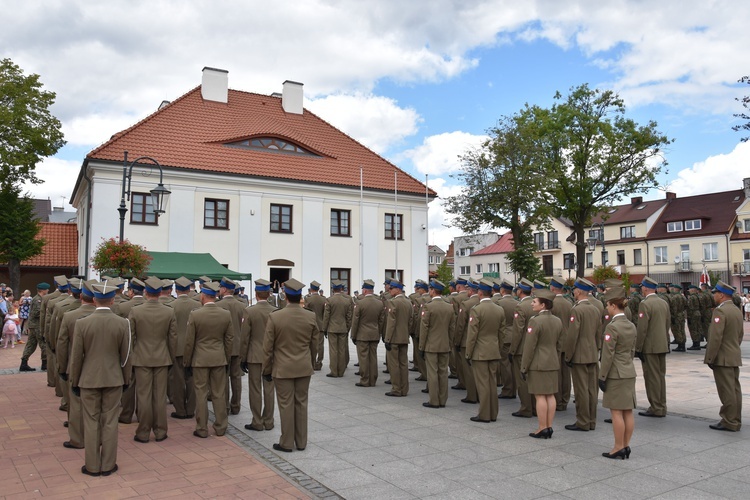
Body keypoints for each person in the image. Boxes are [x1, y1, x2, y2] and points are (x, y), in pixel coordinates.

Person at [70, 282, 131, 477]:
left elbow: (76, 357)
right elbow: (126, 357)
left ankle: (92, 465)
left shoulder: (82, 323)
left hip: (88, 379)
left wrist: (74, 381)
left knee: (91, 421)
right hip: (114, 378)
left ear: (94, 300)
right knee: (110, 421)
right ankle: (108, 465)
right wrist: (126, 380)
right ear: (113, 301)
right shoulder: (123, 323)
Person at [263, 278, 319, 452]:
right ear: (300, 296)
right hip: (303, 366)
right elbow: (314, 344)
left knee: (286, 405)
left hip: (283, 368)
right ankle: (301, 442)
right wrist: (310, 363)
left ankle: (286, 442)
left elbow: (268, 348)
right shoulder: (310, 316)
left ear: (285, 296)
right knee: (301, 403)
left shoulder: (275, 316)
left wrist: (266, 369)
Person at [129, 277, 177, 443]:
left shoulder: (136, 311)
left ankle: (143, 432)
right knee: (159, 396)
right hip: (162, 358)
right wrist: (170, 357)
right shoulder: (168, 311)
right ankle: (160, 431)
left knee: (143, 396)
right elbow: (172, 339)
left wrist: (132, 357)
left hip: (141, 358)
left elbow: (131, 338)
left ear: (145, 292)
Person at [183, 281, 233, 438]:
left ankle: (202, 428)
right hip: (219, 358)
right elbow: (229, 339)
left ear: (203, 296)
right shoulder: (225, 314)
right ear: (216, 296)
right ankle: (221, 426)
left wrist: (187, 361)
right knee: (219, 393)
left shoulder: (195, 314)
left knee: (201, 393)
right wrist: (226, 358)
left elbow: (189, 341)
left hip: (200, 360)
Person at [57, 280, 98, 449]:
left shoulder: (70, 316)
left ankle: (77, 439)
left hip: (74, 366)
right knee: (97, 407)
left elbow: (62, 344)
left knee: (76, 405)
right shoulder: (109, 316)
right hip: (98, 368)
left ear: (81, 296)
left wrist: (62, 367)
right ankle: (96, 438)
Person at [599, 287, 637, 459]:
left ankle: (618, 446)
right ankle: (626, 445)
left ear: (614, 306)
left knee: (616, 413)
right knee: (627, 411)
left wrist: (602, 376)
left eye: (607, 305)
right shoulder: (631, 325)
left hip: (615, 373)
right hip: (629, 371)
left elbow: (607, 356)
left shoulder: (612, 328)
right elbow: (632, 351)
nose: (606, 308)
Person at [521, 288, 562, 438]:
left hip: (538, 363)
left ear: (543, 305)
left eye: (534, 301)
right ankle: (549, 426)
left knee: (540, 396)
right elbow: (559, 344)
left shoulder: (535, 321)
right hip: (552, 361)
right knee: (550, 395)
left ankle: (542, 427)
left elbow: (529, 346)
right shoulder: (557, 321)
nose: (531, 304)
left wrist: (524, 366)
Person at [564, 278, 602, 432]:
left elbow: (572, 336)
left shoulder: (577, 310)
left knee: (581, 390)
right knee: (592, 389)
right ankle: (592, 420)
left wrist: (568, 355)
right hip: (592, 353)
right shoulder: (595, 308)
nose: (573, 292)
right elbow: (599, 333)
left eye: (574, 290)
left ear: (578, 292)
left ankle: (583, 421)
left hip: (579, 355)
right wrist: (597, 349)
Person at [704, 281, 743, 432]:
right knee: (734, 390)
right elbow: (740, 335)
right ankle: (735, 419)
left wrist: (710, 358)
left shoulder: (720, 311)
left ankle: (729, 421)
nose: (713, 296)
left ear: (721, 295)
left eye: (715, 293)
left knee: (726, 391)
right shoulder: (735, 310)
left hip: (722, 357)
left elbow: (715, 338)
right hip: (733, 355)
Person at [240, 279, 277, 431]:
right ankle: (268, 420)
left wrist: (243, 358)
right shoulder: (275, 311)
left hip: (254, 355)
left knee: (255, 389)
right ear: (269, 294)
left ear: (255, 294)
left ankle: (257, 421)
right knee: (269, 389)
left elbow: (245, 337)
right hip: (271, 356)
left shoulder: (250, 311)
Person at [466, 279, 504, 423]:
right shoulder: (499, 309)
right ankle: (493, 413)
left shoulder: (477, 309)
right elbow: (502, 333)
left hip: (480, 352)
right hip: (493, 350)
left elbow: (472, 335)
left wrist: (468, 353)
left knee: (482, 384)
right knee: (492, 383)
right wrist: (498, 348)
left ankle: (484, 414)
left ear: (480, 293)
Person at [636, 277, 670, 418]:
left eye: (642, 287)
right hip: (661, 344)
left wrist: (638, 348)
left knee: (652, 377)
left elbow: (642, 328)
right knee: (660, 377)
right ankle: (661, 405)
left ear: (645, 288)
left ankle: (656, 407)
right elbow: (667, 324)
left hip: (650, 347)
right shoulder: (663, 303)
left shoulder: (645, 304)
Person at [169, 277, 202, 419]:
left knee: (177, 381)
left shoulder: (171, 305)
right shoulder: (197, 305)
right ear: (189, 289)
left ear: (176, 290)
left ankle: (180, 410)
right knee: (192, 379)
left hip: (176, 347)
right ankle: (190, 409)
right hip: (193, 346)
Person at [419, 280, 454, 408]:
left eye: (430, 289)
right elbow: (451, 328)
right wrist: (449, 343)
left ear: (433, 291)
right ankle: (443, 400)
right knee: (443, 373)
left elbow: (424, 329)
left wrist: (421, 347)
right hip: (445, 344)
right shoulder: (449, 306)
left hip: (431, 345)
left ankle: (434, 400)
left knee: (432, 373)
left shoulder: (428, 306)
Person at [216, 277, 245, 415]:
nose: (219, 290)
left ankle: (226, 406)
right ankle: (236, 405)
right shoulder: (242, 305)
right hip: (237, 346)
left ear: (224, 289)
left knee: (224, 378)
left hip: (222, 347)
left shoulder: (218, 306)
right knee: (236, 377)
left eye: (220, 288)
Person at [350, 279, 384, 387]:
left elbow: (355, 321)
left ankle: (365, 379)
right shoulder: (379, 303)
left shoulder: (360, 303)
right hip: (374, 333)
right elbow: (381, 320)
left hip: (362, 334)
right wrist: (380, 333)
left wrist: (353, 335)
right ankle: (373, 379)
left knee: (363, 358)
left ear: (364, 290)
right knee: (373, 357)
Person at [510, 278, 535, 418]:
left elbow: (518, 331)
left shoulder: (520, 307)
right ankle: (536, 407)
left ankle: (526, 408)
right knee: (533, 379)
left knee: (522, 380)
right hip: (534, 347)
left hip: (522, 349)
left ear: (520, 291)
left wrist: (513, 350)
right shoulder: (536, 304)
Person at [384, 279, 413, 397]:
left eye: (391, 288)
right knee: (404, 364)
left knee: (394, 364)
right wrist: (407, 333)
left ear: (398, 289)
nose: (389, 290)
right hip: (404, 337)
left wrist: (388, 339)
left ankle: (396, 388)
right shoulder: (408, 302)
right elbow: (411, 321)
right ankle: (404, 389)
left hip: (394, 338)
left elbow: (391, 323)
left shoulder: (393, 302)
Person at [322, 281, 353, 378]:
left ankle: (334, 371)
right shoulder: (347, 300)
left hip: (332, 328)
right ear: (341, 289)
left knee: (333, 350)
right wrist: (347, 327)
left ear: (333, 289)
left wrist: (324, 329)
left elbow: (326, 316)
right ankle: (341, 371)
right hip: (343, 328)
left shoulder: (329, 300)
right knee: (342, 350)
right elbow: (349, 317)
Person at [20, 283, 50, 371]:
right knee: (43, 344)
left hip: (34, 325)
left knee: (31, 344)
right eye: (47, 289)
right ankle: (45, 364)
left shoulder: (38, 299)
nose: (48, 291)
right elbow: (36, 313)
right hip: (37, 325)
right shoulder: (38, 300)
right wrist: (47, 312)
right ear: (43, 290)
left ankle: (24, 363)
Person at [304, 281, 326, 371]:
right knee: (320, 345)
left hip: (310, 324)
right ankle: (319, 362)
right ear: (318, 289)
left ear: (311, 289)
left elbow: (305, 312)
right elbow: (325, 313)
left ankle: (311, 363)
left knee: (310, 345)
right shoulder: (323, 299)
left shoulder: (308, 299)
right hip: (320, 324)